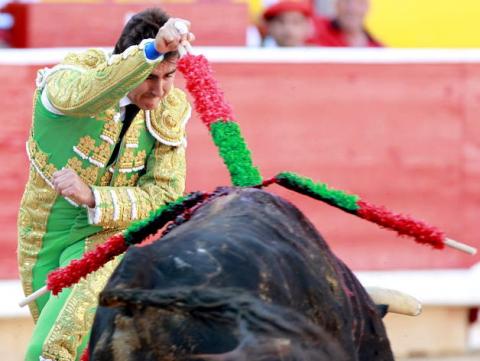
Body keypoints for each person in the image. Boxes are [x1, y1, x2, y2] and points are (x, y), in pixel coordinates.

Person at [17, 7, 194, 361]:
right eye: (150, 77)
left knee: (51, 350)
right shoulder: (71, 78)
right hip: (42, 233)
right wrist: (149, 52)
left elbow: (164, 196)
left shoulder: (170, 110)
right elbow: (92, 93)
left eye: (169, 76)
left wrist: (94, 196)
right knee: (83, 347)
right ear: (128, 60)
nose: (159, 91)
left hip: (106, 235)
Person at [311, 0, 382, 47]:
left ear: (367, 7)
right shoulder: (315, 27)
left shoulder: (378, 50)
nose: (352, 9)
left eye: (359, 2)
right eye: (346, 1)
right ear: (336, 4)